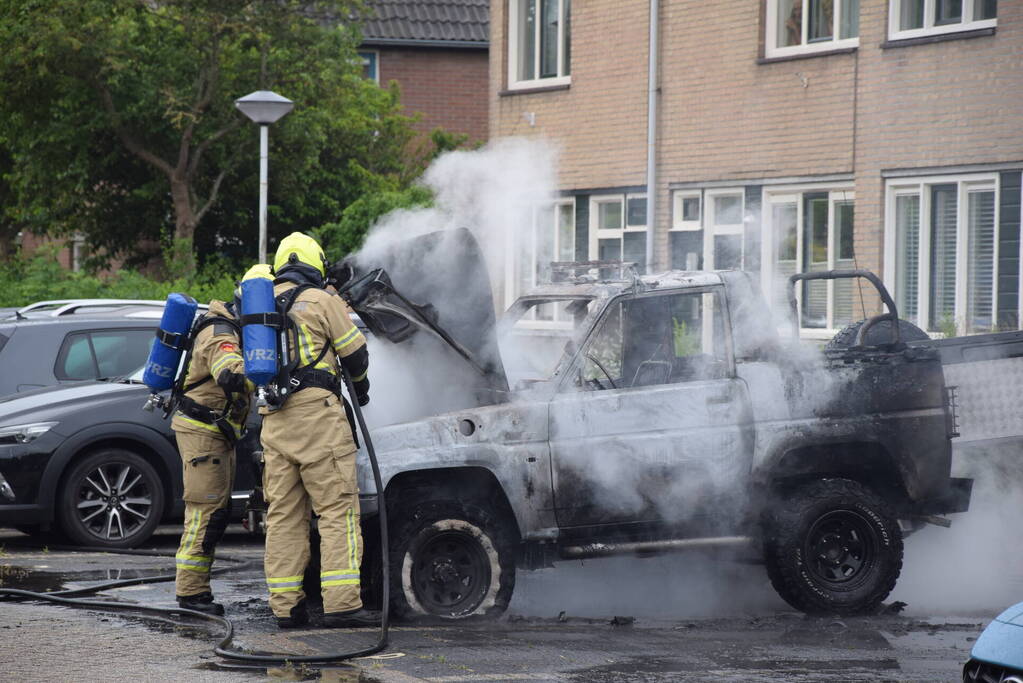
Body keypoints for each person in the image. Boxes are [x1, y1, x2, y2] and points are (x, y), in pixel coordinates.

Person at [260, 232, 376, 629]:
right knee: (337, 510)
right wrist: (360, 391)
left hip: (274, 421)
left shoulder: (257, 305)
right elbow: (355, 353)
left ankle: (286, 608)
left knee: (284, 517)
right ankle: (342, 604)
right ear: (315, 264)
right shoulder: (321, 301)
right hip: (317, 417)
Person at [172, 290, 252, 615]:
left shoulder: (228, 326)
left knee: (213, 514)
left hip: (214, 434)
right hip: (203, 436)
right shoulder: (221, 333)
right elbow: (230, 373)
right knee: (204, 515)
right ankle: (191, 596)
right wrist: (267, 369)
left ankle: (195, 591)